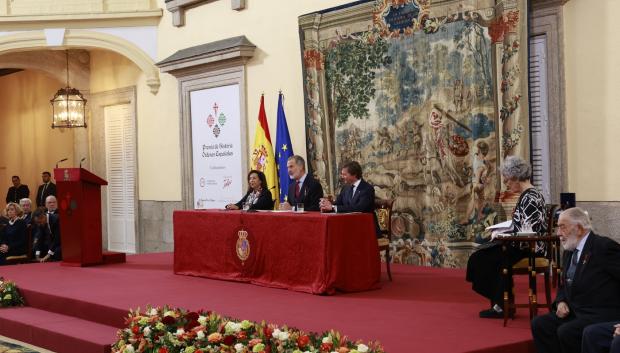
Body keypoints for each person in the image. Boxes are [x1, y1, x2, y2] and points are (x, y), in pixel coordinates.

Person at [466, 155, 547, 318]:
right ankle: (502, 303)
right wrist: (504, 232)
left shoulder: (530, 197)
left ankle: (502, 305)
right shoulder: (528, 195)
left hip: (529, 248)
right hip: (521, 245)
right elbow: (521, 225)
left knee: (483, 258)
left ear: (517, 177)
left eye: (508, 179)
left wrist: (505, 235)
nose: (506, 183)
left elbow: (529, 232)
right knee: (482, 256)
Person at [531, 207, 620, 353]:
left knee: (567, 331)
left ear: (578, 228)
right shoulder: (569, 252)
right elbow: (564, 285)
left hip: (600, 314)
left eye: (562, 227)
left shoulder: (603, 247)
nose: (558, 233)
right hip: (576, 312)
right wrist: (560, 301)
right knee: (540, 324)